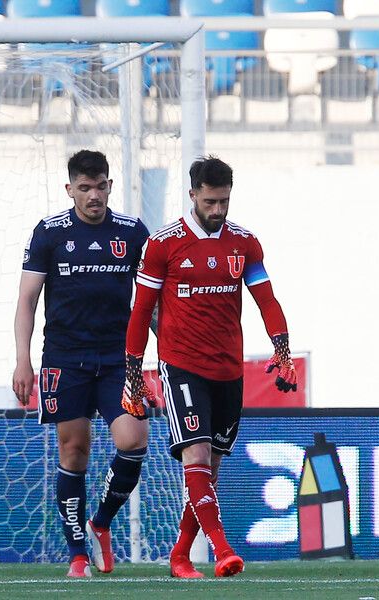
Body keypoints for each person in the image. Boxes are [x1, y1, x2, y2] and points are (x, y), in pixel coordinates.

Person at [122, 156, 298, 579]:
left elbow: (266, 300)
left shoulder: (245, 243)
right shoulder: (164, 244)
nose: (218, 210)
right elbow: (142, 309)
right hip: (181, 365)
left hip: (228, 371)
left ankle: (180, 555)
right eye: (211, 201)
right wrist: (133, 373)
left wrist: (282, 348)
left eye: (225, 201)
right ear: (193, 195)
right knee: (195, 454)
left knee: (210, 469)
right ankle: (222, 550)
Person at [13, 150, 151, 577]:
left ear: (111, 185)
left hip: (118, 359)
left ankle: (101, 524)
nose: (94, 195)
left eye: (101, 186)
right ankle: (76, 554)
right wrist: (23, 361)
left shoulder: (132, 232)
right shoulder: (49, 233)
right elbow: (27, 300)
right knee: (74, 452)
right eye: (85, 188)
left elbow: (151, 301)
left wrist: (170, 354)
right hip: (64, 359)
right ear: (69, 189)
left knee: (132, 440)